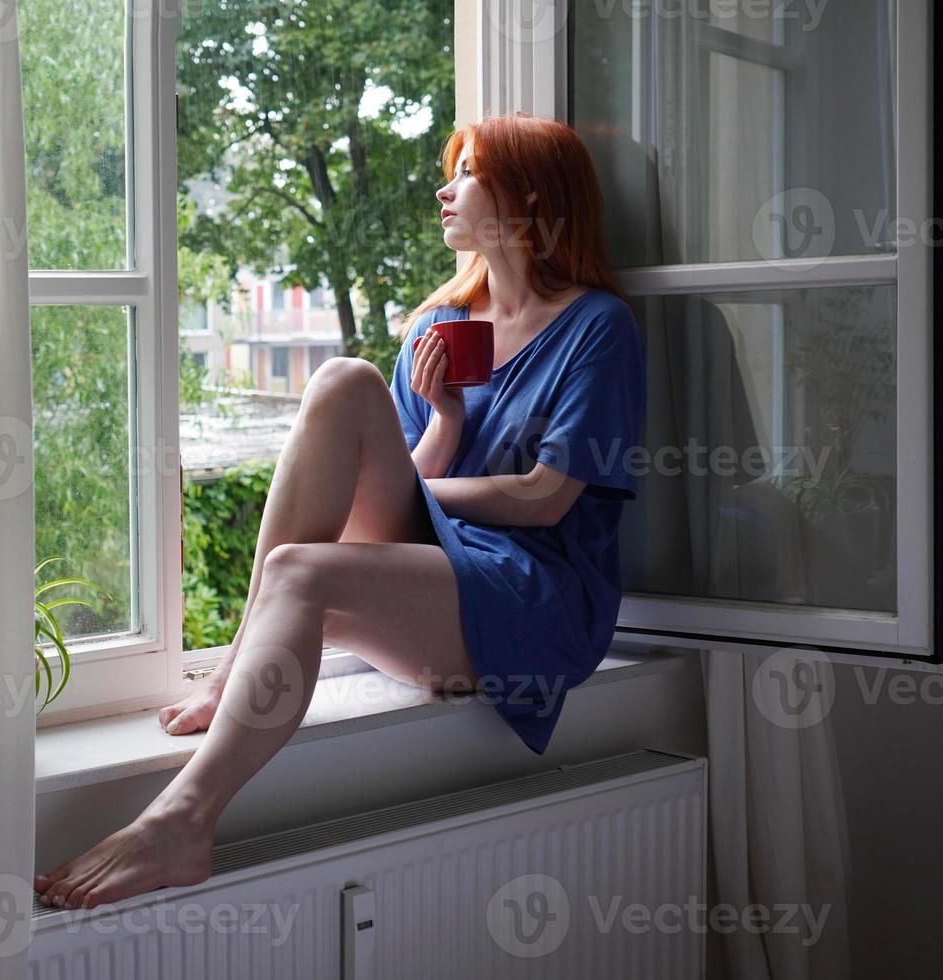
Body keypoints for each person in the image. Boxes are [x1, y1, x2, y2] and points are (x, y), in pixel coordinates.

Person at [34, 112, 646, 911]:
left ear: (530, 196)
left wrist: (426, 483)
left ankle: (182, 820)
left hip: (532, 597)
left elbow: (543, 497)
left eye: (465, 172)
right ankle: (232, 671)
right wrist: (448, 420)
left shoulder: (595, 327)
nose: (443, 188)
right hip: (438, 567)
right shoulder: (437, 326)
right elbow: (385, 488)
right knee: (340, 380)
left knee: (301, 572)